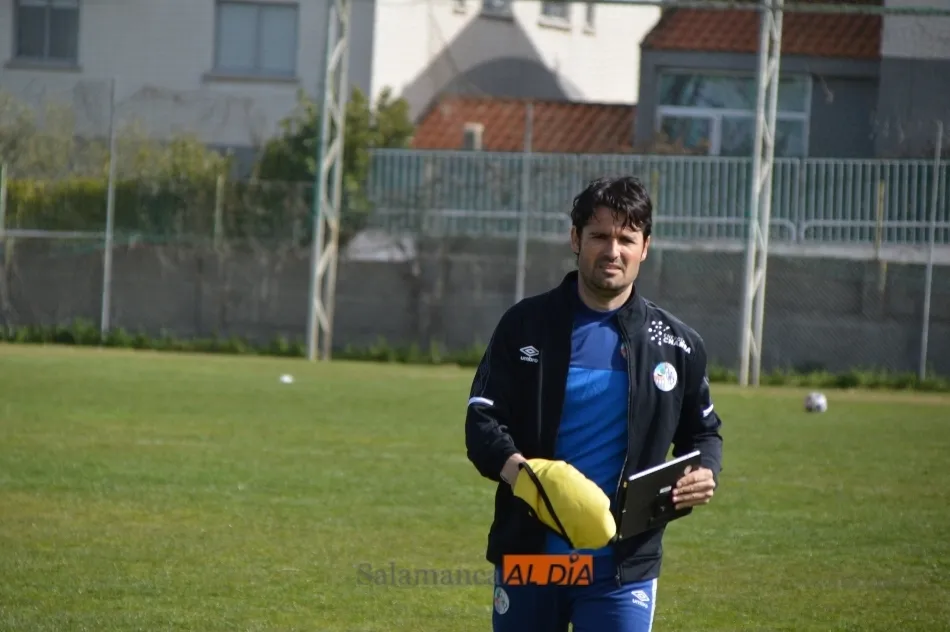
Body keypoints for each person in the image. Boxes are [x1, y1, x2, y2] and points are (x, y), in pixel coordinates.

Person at [464, 175, 723, 632]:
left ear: (645, 247)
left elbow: (702, 431)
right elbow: (482, 419)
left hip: (622, 568)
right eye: (600, 236)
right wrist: (528, 479)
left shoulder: (677, 345)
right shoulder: (525, 325)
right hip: (531, 558)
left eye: (626, 238)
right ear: (575, 239)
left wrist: (705, 472)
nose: (612, 250)